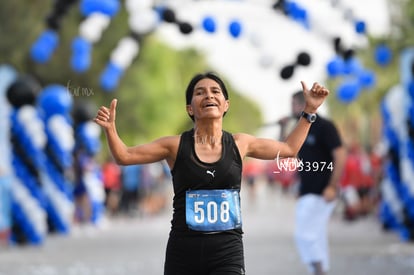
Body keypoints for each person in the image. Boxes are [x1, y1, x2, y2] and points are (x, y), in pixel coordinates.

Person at [94, 72, 329, 275]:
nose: (209, 95)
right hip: (183, 249)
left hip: (227, 250)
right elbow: (124, 156)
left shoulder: (240, 144)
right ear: (189, 108)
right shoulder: (174, 146)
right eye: (200, 92)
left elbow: (288, 149)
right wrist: (110, 130)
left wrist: (309, 111)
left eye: (215, 91)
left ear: (225, 104)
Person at [282, 91, 347, 275]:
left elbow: (340, 155)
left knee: (305, 235)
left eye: (294, 104)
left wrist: (332, 186)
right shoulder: (300, 128)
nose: (291, 109)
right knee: (316, 236)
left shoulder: (325, 126)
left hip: (322, 191)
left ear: (304, 105)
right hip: (306, 191)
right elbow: (284, 151)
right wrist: (282, 128)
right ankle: (319, 270)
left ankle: (319, 271)